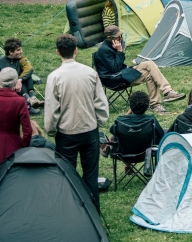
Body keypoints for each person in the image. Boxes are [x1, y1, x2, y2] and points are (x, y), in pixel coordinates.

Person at [44, 34, 108, 211]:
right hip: (89, 130)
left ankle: (70, 211)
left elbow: (51, 107)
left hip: (66, 132)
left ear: (58, 52)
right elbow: (100, 101)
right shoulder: (90, 72)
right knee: (91, 174)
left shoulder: (55, 77)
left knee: (67, 174)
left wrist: (50, 129)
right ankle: (92, 209)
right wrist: (101, 120)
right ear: (76, 50)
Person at [93, 26, 184, 115]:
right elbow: (115, 68)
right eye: (118, 36)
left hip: (123, 72)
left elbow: (118, 66)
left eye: (120, 35)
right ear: (109, 38)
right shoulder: (104, 50)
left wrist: (118, 51)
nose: (120, 38)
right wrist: (119, 51)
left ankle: (167, 91)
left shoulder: (113, 44)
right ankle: (155, 105)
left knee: (149, 63)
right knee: (149, 75)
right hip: (114, 79)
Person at [103, 91, 165, 155]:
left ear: (131, 106)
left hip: (123, 154)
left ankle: (127, 164)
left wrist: (127, 114)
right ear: (147, 106)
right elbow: (161, 135)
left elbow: (112, 130)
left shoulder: (120, 122)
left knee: (115, 137)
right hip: (146, 153)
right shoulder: (151, 120)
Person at [0, 67, 31, 162]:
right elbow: (27, 130)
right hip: (13, 145)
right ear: (15, 82)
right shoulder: (19, 101)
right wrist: (24, 145)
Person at [1, 37, 38, 109]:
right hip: (8, 86)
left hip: (20, 85)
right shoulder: (1, 61)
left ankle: (32, 98)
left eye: (21, 49)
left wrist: (20, 79)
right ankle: (28, 101)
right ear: (10, 52)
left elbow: (29, 68)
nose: (21, 51)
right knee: (16, 78)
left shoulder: (22, 59)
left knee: (27, 75)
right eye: (18, 50)